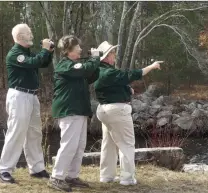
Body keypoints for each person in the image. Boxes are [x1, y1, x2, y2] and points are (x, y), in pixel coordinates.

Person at [94, 41, 162, 186]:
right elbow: (132, 74)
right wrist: (152, 66)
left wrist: (127, 90)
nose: (114, 56)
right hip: (117, 110)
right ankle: (127, 178)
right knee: (126, 144)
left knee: (109, 143)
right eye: (112, 54)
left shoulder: (98, 71)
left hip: (104, 110)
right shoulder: (110, 72)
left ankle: (106, 176)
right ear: (106, 57)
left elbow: (112, 86)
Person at [0, 23, 54, 183]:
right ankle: (4, 170)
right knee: (16, 132)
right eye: (29, 33)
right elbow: (33, 63)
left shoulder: (27, 53)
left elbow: (42, 62)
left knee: (35, 132)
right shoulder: (15, 54)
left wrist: (48, 51)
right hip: (19, 96)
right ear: (21, 36)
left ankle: (36, 168)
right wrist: (44, 50)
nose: (32, 36)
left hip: (31, 96)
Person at [50, 35, 101, 192]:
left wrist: (99, 61)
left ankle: (72, 176)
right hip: (69, 110)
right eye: (78, 46)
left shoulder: (76, 66)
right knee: (69, 145)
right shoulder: (65, 65)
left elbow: (91, 74)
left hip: (79, 111)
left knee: (79, 146)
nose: (80, 49)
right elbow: (84, 70)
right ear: (69, 49)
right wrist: (95, 58)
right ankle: (56, 177)